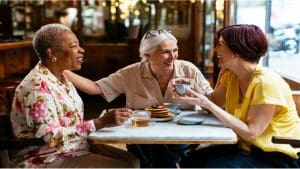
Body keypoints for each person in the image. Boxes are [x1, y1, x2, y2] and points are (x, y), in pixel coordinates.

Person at [63, 27, 213, 167]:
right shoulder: (131, 73)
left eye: (175, 50)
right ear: (148, 55)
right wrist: (62, 70)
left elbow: (211, 99)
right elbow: (96, 88)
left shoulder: (189, 70)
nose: (173, 57)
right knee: (151, 160)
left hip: (179, 137)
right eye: (165, 52)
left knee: (157, 160)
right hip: (141, 137)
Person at [10, 23, 139, 168]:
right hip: (46, 157)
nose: (81, 50)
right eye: (74, 46)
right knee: (125, 166)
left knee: (132, 160)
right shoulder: (36, 87)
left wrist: (100, 127)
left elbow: (70, 122)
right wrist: (99, 123)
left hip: (75, 148)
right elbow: (51, 138)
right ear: (52, 54)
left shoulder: (62, 78)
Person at [173, 24, 300, 167]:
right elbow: (214, 103)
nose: (216, 49)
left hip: (277, 155)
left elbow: (251, 133)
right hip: (247, 148)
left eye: (221, 44)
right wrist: (192, 88)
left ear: (237, 51)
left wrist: (207, 103)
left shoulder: (266, 83)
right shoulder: (232, 77)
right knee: (191, 160)